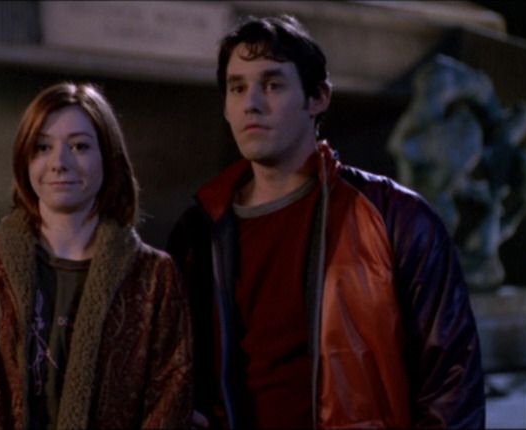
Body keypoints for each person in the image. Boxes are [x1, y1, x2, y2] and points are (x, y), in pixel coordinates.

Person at [167, 15, 485, 429]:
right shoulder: (199, 232)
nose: (251, 103)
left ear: (318, 97)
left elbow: (451, 383)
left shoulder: (395, 218)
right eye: (237, 87)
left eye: (273, 85)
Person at [0, 82, 193, 429]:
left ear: (109, 157)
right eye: (42, 147)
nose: (59, 163)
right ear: (25, 159)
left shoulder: (154, 278)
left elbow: (170, 399)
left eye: (79, 146)